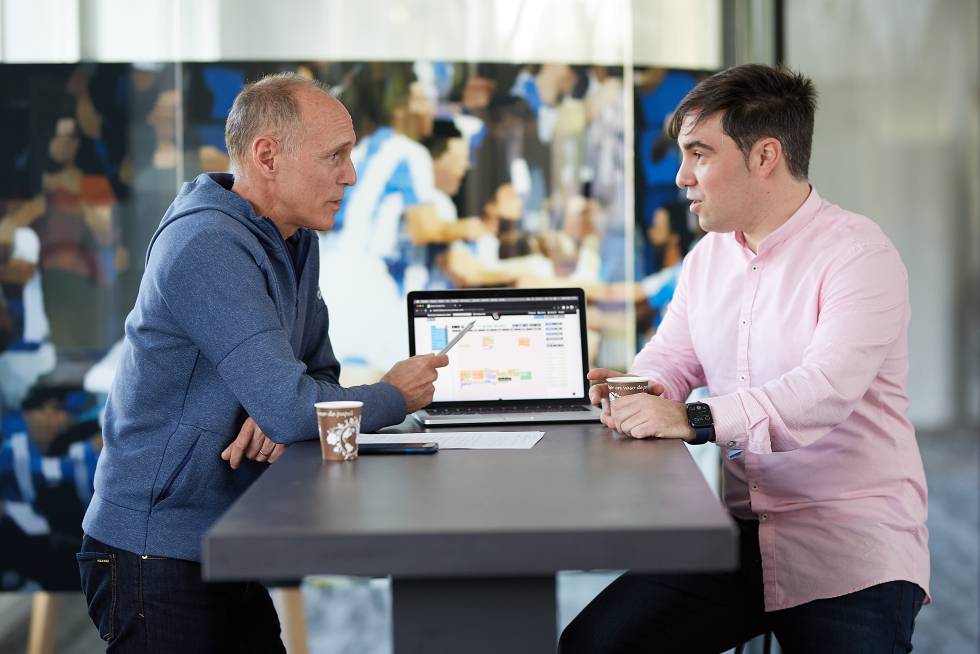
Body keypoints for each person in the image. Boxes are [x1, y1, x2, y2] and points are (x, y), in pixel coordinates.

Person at [560, 64, 929, 653]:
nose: (681, 178)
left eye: (699, 155)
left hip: (849, 545)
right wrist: (636, 388)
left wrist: (694, 418)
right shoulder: (707, 259)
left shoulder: (860, 255)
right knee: (593, 646)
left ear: (765, 156)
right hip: (738, 537)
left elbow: (823, 390)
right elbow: (672, 359)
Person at [77, 73, 448, 652]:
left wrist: (280, 409)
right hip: (158, 551)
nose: (350, 174)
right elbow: (293, 405)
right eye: (336, 156)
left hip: (228, 535)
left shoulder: (295, 239)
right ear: (268, 156)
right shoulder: (207, 245)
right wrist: (394, 395)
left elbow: (315, 376)